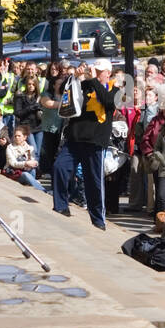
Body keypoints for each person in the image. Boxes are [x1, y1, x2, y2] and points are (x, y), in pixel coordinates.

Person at [53, 58, 118, 229]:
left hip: (95, 140)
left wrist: (92, 79)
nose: (94, 73)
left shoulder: (114, 89)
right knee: (59, 167)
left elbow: (108, 101)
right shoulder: (84, 84)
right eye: (94, 70)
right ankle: (61, 206)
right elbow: (61, 90)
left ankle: (98, 220)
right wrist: (74, 76)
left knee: (93, 182)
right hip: (74, 138)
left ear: (107, 73)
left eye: (98, 71)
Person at [3, 126, 45, 190]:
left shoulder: (30, 148)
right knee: (25, 174)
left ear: (25, 137)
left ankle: (32, 182)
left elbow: (32, 161)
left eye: (19, 136)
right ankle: (42, 190)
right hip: (14, 172)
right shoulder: (10, 147)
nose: (17, 138)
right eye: (15, 136)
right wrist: (25, 164)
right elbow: (13, 163)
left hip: (27, 170)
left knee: (32, 170)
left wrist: (34, 163)